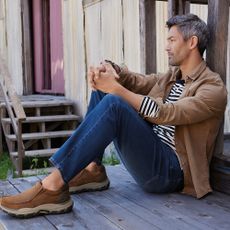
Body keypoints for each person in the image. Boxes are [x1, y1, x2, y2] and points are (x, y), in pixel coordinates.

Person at [0, 13, 227, 218]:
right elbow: (142, 81)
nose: (166, 46)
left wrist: (116, 89)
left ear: (192, 43)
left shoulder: (212, 88)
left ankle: (52, 187)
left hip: (170, 172)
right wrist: (112, 71)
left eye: (172, 40)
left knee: (115, 102)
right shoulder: (173, 77)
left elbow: (168, 113)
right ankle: (92, 169)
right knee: (105, 92)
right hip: (153, 150)